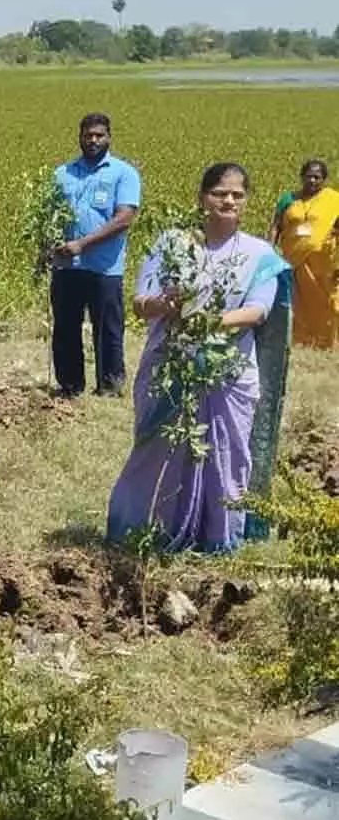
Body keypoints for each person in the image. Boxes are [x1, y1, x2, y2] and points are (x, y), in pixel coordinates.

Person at [107, 163, 292, 554]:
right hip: (169, 365)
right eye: (219, 193)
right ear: (201, 197)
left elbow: (258, 311)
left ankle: (217, 537)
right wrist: (164, 303)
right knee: (157, 448)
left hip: (229, 372)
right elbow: (141, 304)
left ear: (246, 202)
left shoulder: (260, 254)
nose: (228, 201)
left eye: (237, 195)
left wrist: (207, 322)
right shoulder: (172, 244)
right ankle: (145, 530)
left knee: (226, 453)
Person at [50, 113, 142, 398]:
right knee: (66, 328)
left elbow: (124, 218)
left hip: (105, 267)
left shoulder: (123, 173)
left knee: (108, 330)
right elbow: (49, 216)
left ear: (109, 137)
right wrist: (47, 247)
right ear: (79, 136)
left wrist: (83, 244)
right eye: (88, 135)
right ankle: (70, 385)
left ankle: (110, 386)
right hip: (67, 266)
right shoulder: (62, 173)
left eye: (99, 135)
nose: (93, 140)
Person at [269, 159, 339, 348]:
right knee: (298, 302)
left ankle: (326, 340)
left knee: (327, 301)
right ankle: (302, 340)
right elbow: (276, 225)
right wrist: (270, 248)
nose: (313, 180)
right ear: (302, 177)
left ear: (324, 179)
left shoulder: (333, 200)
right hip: (294, 259)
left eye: (317, 177)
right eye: (309, 176)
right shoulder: (288, 199)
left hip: (323, 262)